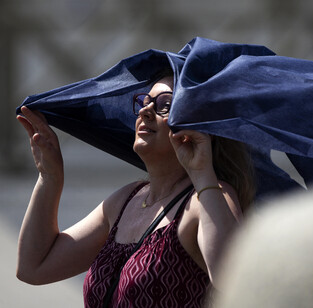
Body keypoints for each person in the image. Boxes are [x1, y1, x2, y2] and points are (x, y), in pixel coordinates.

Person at [16, 72, 255, 307]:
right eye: (145, 101)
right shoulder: (125, 200)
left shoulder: (208, 196)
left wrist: (202, 172)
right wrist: (50, 177)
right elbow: (33, 267)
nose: (145, 111)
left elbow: (233, 278)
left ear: (197, 128)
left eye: (166, 104)